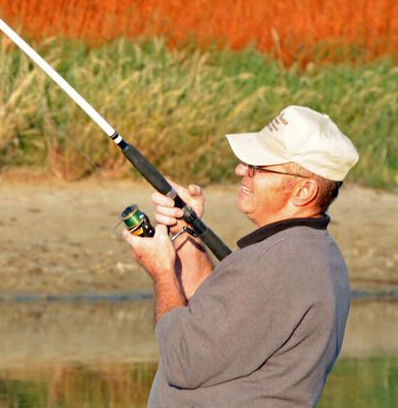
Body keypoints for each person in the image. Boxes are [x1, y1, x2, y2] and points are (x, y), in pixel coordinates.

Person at [124, 105, 359, 407]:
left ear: (304, 191)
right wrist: (184, 231)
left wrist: (162, 272)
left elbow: (182, 360)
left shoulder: (272, 265)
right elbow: (218, 311)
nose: (241, 170)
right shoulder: (311, 250)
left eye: (258, 167)